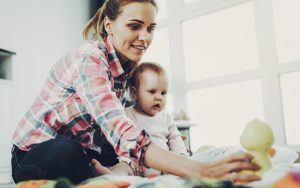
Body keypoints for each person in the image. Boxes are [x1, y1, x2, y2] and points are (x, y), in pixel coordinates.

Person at [11, 0, 260, 184]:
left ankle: (101, 174)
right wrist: (195, 169)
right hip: (34, 154)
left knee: (115, 154)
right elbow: (117, 127)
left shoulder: (127, 69)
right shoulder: (90, 58)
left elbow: (130, 131)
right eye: (134, 26)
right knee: (69, 153)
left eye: (150, 28)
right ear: (109, 25)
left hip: (86, 150)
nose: (144, 38)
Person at [125, 62, 188, 176]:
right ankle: (110, 175)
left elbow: (175, 138)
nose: (159, 97)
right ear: (135, 93)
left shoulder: (165, 116)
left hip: (163, 165)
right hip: (136, 166)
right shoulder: (127, 114)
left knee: (177, 170)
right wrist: (129, 160)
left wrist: (181, 156)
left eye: (163, 93)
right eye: (152, 91)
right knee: (123, 168)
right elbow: (123, 142)